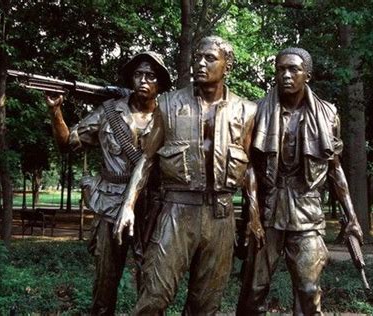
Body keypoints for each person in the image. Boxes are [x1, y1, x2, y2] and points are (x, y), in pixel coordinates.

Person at [114, 36, 265, 315]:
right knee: (154, 297)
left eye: (210, 58)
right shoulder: (169, 105)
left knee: (206, 305)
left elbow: (250, 169)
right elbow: (147, 160)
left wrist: (254, 216)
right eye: (197, 57)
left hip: (221, 216)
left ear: (227, 65)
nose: (200, 63)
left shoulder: (247, 110)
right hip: (177, 212)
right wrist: (128, 207)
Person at [236, 47, 364, 315]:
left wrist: (351, 216)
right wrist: (253, 215)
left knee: (308, 290)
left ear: (307, 74)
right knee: (253, 290)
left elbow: (334, 168)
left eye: (293, 69)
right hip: (268, 210)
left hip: (307, 210)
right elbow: (247, 167)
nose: (286, 75)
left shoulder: (328, 114)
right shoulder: (257, 111)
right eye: (280, 69)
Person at [45, 51, 171, 316]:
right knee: (105, 282)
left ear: (160, 83)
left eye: (150, 75)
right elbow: (67, 144)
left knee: (152, 283)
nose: (143, 80)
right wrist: (56, 111)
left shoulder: (170, 117)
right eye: (138, 74)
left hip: (154, 209)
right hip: (111, 204)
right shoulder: (109, 112)